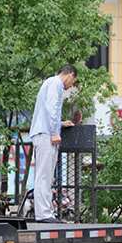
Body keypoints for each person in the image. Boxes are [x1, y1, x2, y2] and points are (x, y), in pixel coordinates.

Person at [29, 65, 77, 223]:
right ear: (70, 75)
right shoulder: (56, 84)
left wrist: (60, 124)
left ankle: (44, 212)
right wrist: (55, 132)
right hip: (46, 134)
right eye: (73, 81)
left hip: (43, 132)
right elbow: (52, 108)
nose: (71, 85)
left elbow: (47, 111)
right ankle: (44, 214)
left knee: (44, 175)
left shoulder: (49, 83)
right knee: (44, 176)